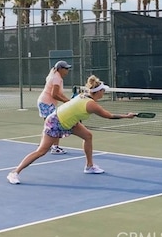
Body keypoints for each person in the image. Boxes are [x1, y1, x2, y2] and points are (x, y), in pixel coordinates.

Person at [7, 75, 136, 184]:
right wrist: (127, 116)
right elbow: (109, 116)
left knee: (88, 136)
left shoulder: (84, 95)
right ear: (97, 92)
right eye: (103, 90)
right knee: (41, 151)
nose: (104, 92)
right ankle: (14, 172)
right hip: (55, 122)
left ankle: (89, 166)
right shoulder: (91, 104)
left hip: (69, 122)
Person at [37, 60, 72, 154]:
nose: (67, 70)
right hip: (46, 103)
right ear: (60, 69)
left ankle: (44, 145)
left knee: (49, 126)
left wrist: (69, 101)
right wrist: (67, 101)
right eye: (66, 68)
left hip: (45, 103)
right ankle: (55, 147)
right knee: (55, 125)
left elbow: (59, 94)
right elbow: (54, 95)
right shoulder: (57, 78)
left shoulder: (55, 76)